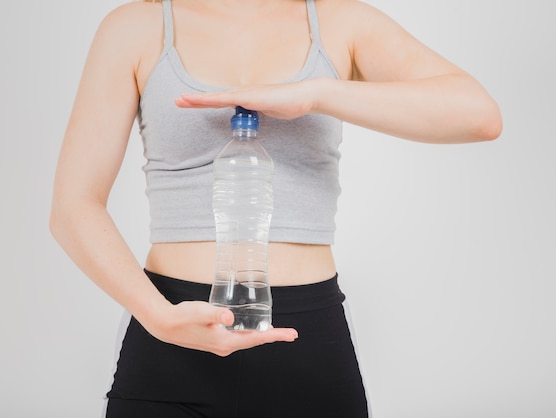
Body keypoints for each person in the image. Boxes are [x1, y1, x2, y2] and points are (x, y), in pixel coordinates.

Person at [49, 0, 502, 416]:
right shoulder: (137, 27)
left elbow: (477, 114)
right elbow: (74, 205)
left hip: (308, 337)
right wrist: (158, 317)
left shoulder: (339, 22)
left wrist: (317, 94)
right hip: (171, 327)